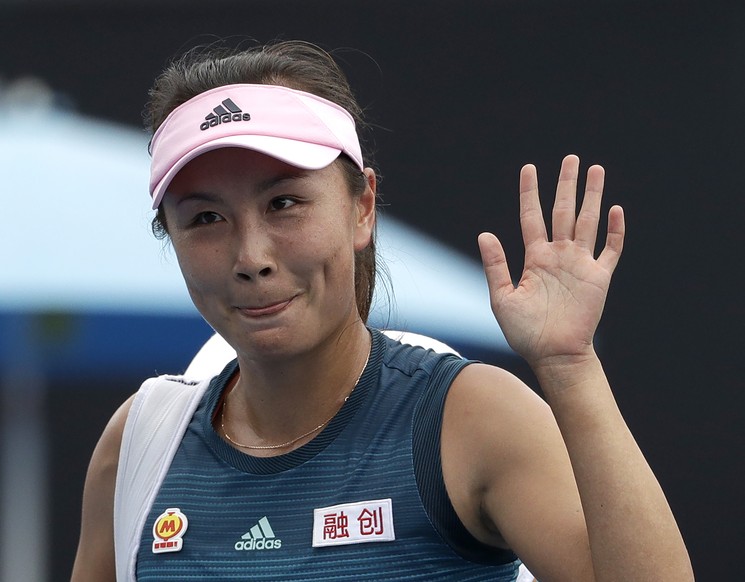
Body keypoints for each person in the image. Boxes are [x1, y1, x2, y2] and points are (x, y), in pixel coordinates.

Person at [71, 40, 693, 581]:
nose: (251, 256)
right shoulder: (140, 445)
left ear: (362, 207)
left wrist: (569, 364)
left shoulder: (465, 417)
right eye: (205, 218)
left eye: (285, 203)